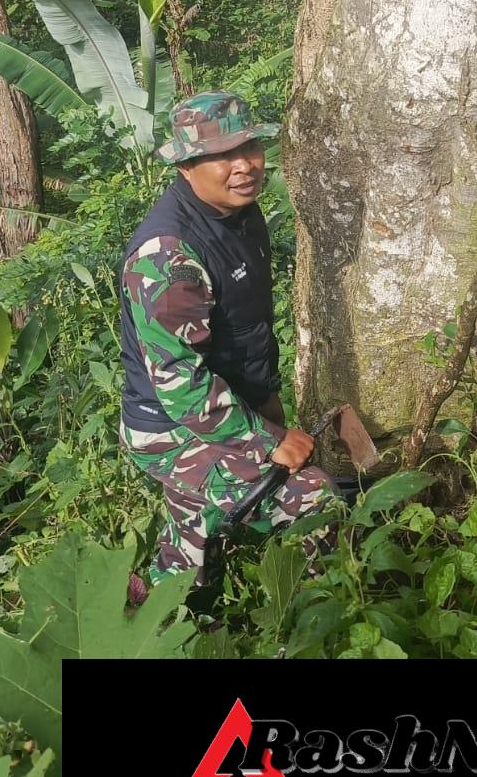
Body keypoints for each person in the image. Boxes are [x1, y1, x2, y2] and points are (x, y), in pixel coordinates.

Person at [117, 91, 331, 592]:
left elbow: (245, 326)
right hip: (169, 430)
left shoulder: (240, 214)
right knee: (311, 497)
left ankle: (157, 596)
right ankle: (300, 629)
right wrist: (269, 439)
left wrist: (266, 403)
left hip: (222, 405)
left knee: (193, 552)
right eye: (222, 156)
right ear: (186, 167)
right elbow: (181, 389)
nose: (245, 166)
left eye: (250, 148)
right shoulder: (167, 257)